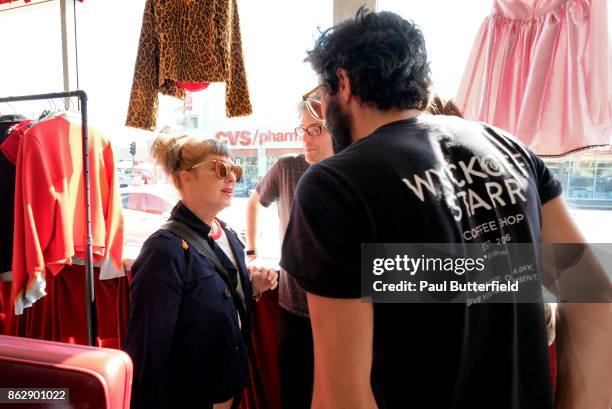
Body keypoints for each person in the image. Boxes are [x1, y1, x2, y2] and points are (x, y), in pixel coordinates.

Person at [280, 7, 611, 409]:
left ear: (344, 83)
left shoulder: (335, 183)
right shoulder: (509, 149)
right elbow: (591, 296)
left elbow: (341, 395)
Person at [125, 134, 277, 409]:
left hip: (228, 384)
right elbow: (149, 353)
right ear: (184, 179)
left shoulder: (228, 234)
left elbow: (214, 297)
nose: (231, 178)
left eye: (234, 170)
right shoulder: (163, 250)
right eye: (219, 169)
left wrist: (251, 285)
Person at [245, 102, 334, 409]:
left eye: (316, 129)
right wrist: (253, 252)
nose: (307, 137)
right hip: (294, 306)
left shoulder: (353, 173)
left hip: (340, 310)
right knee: (295, 393)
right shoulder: (288, 167)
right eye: (303, 130)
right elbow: (254, 202)